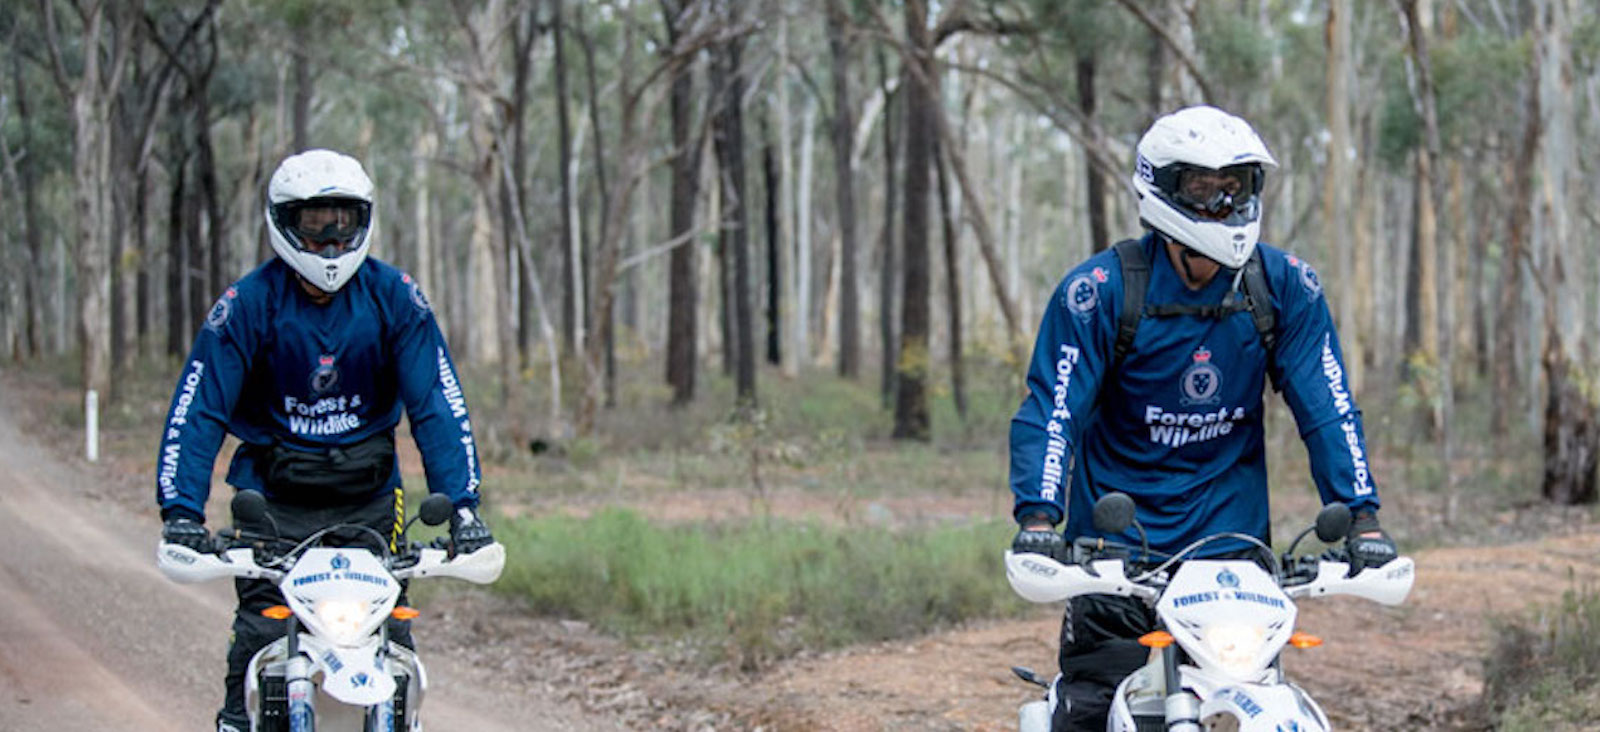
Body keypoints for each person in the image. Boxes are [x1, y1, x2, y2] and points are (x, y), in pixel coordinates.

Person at [1006, 106, 1397, 731]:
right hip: (1115, 558)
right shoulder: (1099, 291)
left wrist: (1365, 520)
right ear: (1159, 186)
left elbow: (1327, 407)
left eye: (1234, 187)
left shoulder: (1285, 288)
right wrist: (1038, 518)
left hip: (1233, 563)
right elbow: (1053, 410)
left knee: (1262, 708)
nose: (1221, 204)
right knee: (1085, 709)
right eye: (1202, 188)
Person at [154, 148, 494, 732]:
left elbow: (437, 404)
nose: (332, 241)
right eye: (314, 224)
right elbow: (199, 407)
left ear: (364, 220)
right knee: (261, 632)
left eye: (344, 221)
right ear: (284, 224)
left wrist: (462, 509)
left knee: (390, 638)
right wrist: (181, 512)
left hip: (370, 502)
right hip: (272, 506)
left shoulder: (396, 298)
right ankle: (239, 720)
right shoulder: (246, 305)